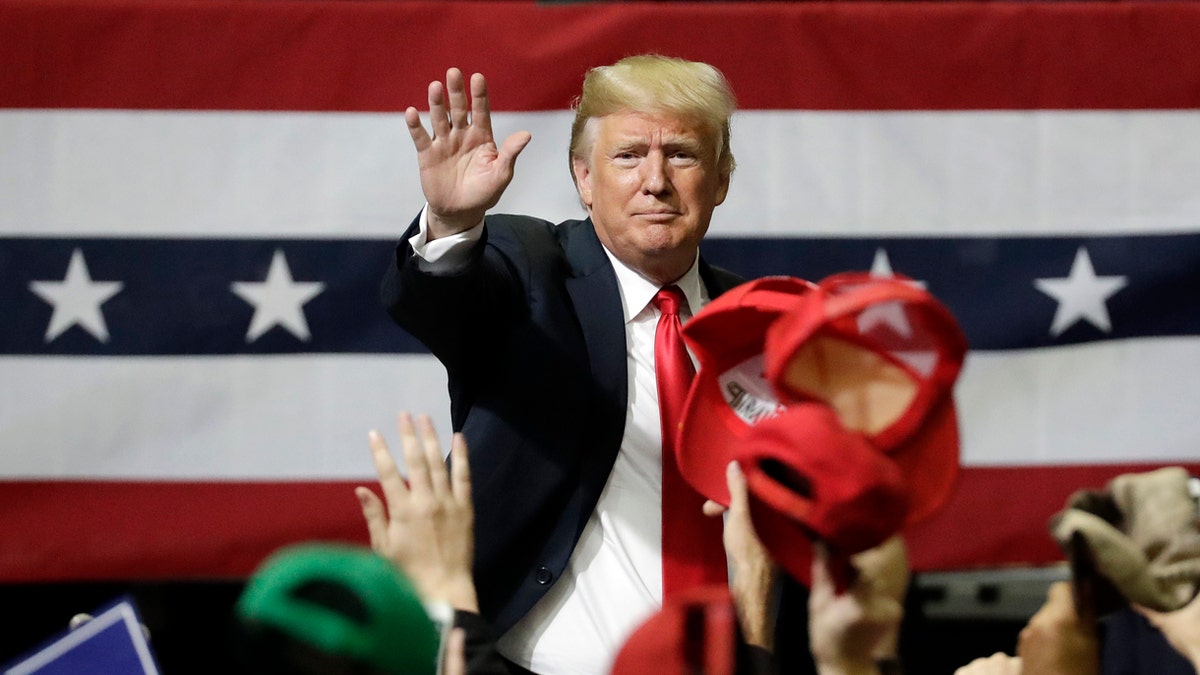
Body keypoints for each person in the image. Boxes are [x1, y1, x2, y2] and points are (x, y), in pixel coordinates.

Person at [379, 55, 755, 674]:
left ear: (720, 179)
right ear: (584, 178)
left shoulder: (756, 320)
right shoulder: (531, 268)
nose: (655, 180)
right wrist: (452, 222)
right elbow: (440, 301)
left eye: (682, 155)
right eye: (629, 155)